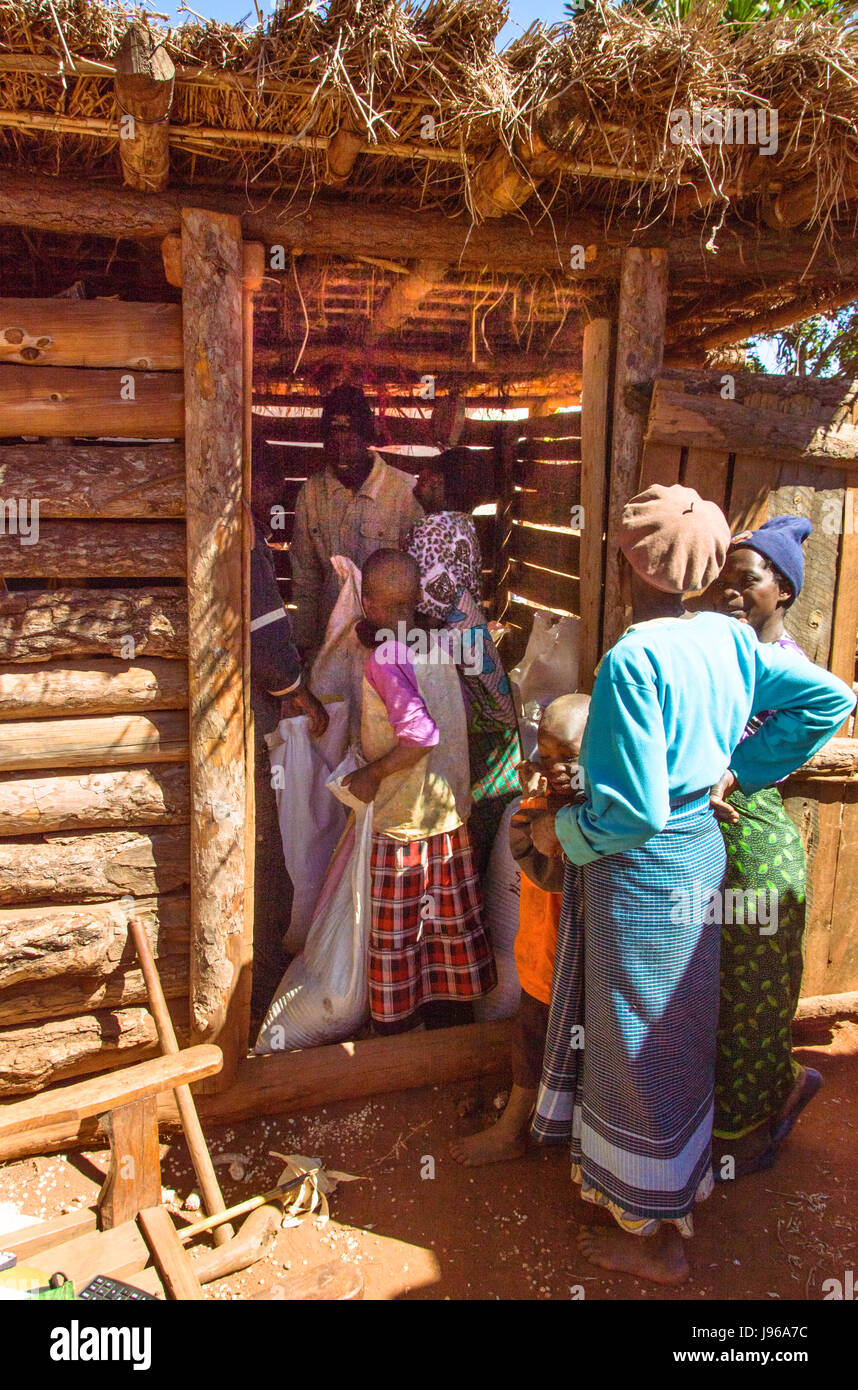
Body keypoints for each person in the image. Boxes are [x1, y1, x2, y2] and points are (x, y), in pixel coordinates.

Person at [524, 484, 855, 1286]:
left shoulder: (633, 657)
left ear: (626, 558)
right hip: (699, 850)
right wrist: (739, 770)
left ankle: (659, 1238)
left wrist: (554, 835)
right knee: (672, 1029)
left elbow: (631, 812)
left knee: (639, 1040)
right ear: (708, 567)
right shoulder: (729, 638)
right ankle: (661, 1188)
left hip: (644, 868)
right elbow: (830, 697)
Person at [705, 515, 821, 1175]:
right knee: (716, 991)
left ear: (782, 590)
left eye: (746, 580)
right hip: (712, 835)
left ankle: (748, 1134)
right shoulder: (721, 651)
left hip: (753, 842)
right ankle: (775, 1091)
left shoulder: (788, 668)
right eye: (724, 578)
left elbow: (767, 752)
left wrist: (734, 769)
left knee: (751, 997)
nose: (731, 591)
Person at [342, 550, 497, 1033]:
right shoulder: (434, 643)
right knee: (446, 940)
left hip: (403, 827)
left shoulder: (385, 658)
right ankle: (452, 1037)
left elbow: (420, 735)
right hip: (448, 823)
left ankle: (396, 1041)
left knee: (398, 944)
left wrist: (370, 774)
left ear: (367, 603)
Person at [452, 693, 590, 1166]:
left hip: (585, 967)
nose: (557, 770)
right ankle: (515, 1125)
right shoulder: (532, 809)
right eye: (545, 756)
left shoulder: (608, 814)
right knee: (531, 1039)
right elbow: (543, 866)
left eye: (569, 757)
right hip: (541, 959)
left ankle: (565, 1134)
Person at [404, 470, 520, 878]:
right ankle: (484, 867)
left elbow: (429, 607)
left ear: (441, 484)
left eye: (427, 475)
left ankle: (457, 867)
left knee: (455, 759)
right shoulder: (464, 525)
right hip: (473, 650)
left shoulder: (429, 528)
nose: (418, 480)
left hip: (453, 657)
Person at [249, 518, 328, 1029]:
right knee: (262, 855)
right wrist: (299, 693)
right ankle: (257, 983)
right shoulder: (234, 518)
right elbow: (265, 635)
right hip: (234, 711)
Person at [290, 386, 423, 663]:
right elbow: (305, 577)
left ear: (366, 440)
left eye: (349, 443)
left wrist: (406, 646)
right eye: (332, 443)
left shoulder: (404, 493)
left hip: (388, 651)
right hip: (329, 648)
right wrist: (303, 647)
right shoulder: (312, 494)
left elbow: (418, 583)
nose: (340, 454)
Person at [404, 451, 483, 620]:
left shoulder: (430, 529)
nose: (416, 483)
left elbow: (431, 611)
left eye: (421, 477)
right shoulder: (464, 523)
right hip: (467, 638)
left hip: (438, 641)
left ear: (435, 480)